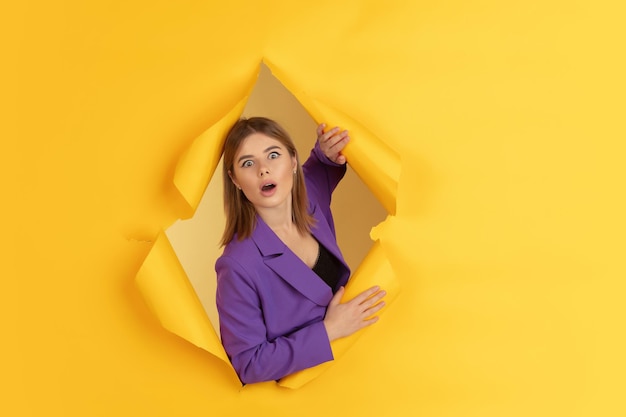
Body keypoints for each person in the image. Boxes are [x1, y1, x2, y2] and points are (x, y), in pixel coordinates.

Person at [215, 117, 386, 385]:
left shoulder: (309, 196)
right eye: (248, 163)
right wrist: (330, 330)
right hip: (307, 391)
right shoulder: (237, 264)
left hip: (360, 364)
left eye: (273, 155)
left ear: (292, 162)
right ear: (235, 179)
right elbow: (249, 364)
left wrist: (326, 151)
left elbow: (320, 168)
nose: (264, 170)